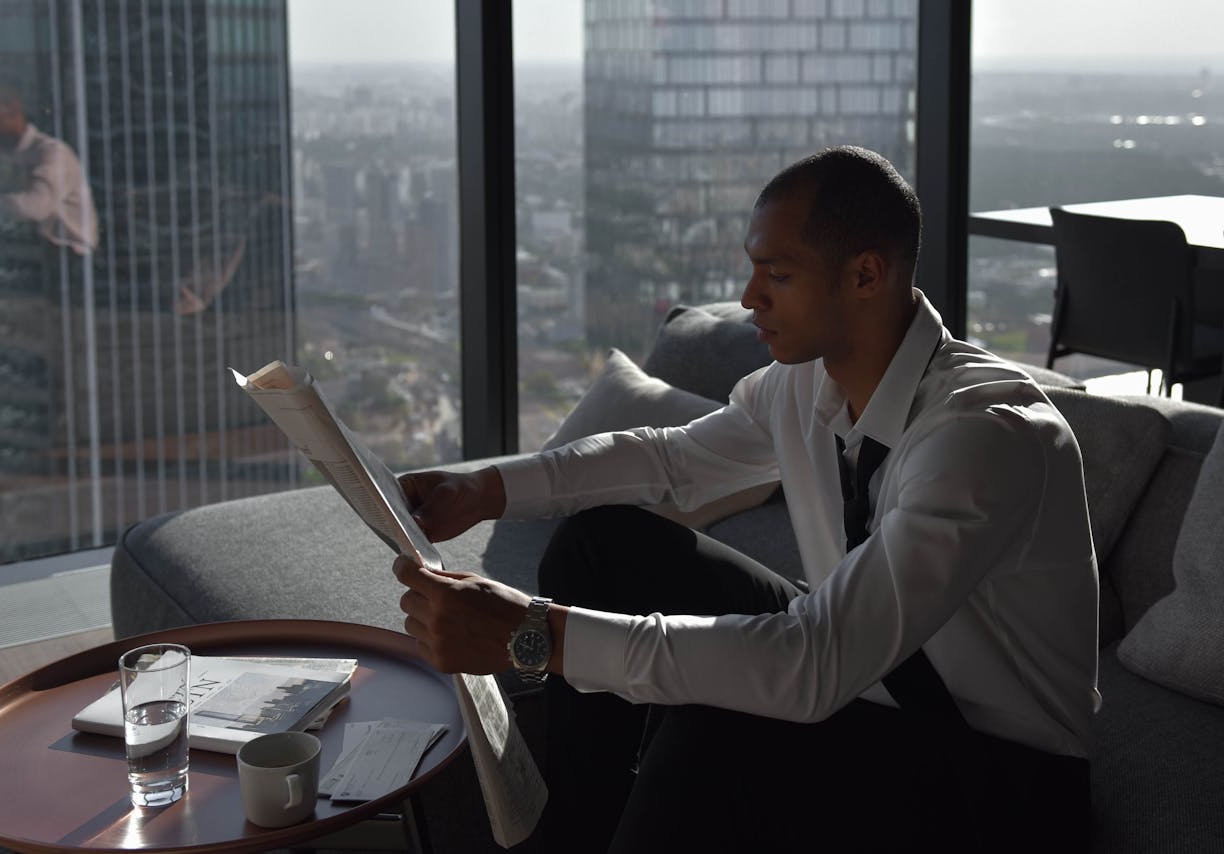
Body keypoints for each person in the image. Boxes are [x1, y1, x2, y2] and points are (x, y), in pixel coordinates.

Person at [394, 146, 1098, 853]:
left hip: (1003, 779)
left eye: (778, 274)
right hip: (860, 678)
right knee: (601, 545)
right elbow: (669, 460)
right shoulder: (804, 382)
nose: (750, 296)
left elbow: (815, 662)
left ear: (865, 275)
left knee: (721, 724)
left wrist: (537, 636)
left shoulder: (983, 437)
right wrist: (483, 488)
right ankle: (577, 835)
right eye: (755, 268)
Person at [0, 82, 97, 255]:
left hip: (68, 259)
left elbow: (35, 207)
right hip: (24, 257)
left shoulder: (53, 153)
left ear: (13, 109)